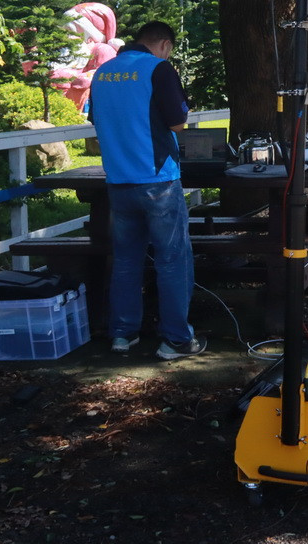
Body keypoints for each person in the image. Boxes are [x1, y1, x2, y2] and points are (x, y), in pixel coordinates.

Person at [89, 21, 206, 360]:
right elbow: (177, 123)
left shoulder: (103, 72)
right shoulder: (159, 69)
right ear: (164, 44)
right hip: (158, 181)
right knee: (172, 260)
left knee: (126, 260)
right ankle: (176, 340)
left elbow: (97, 121)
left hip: (118, 181)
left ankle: (123, 335)